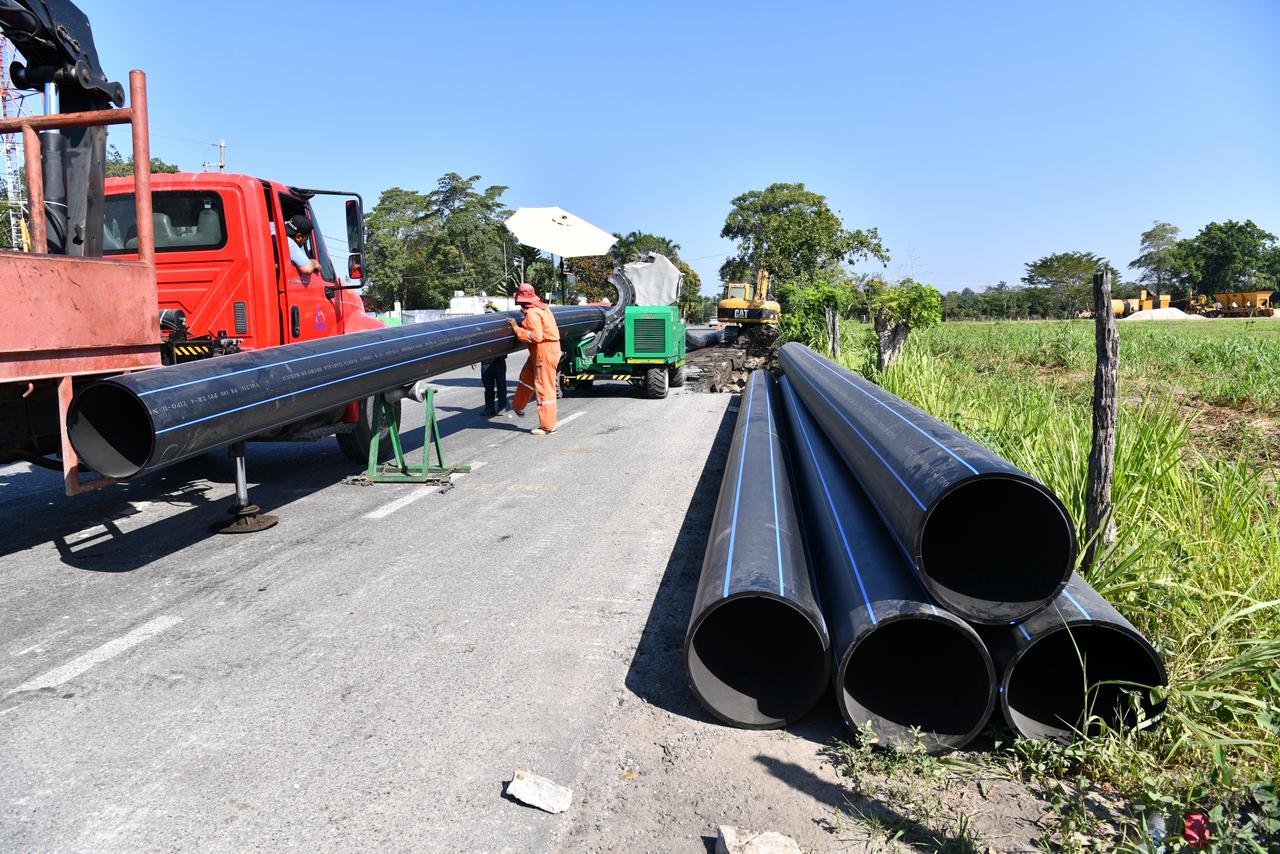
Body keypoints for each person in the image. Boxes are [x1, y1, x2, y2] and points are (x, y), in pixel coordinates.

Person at [507, 283, 561, 435]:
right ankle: (518, 405)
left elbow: (535, 336)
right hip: (544, 350)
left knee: (545, 388)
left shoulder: (533, 313)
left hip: (544, 351)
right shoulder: (542, 309)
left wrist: (517, 328)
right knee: (527, 375)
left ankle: (548, 426)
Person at [480, 302, 509, 416]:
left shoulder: (501, 328)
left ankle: (502, 407)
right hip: (486, 362)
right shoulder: (481, 330)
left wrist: (494, 306)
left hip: (499, 360)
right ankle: (489, 408)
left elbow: (504, 315)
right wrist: (473, 359)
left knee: (501, 385)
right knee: (488, 387)